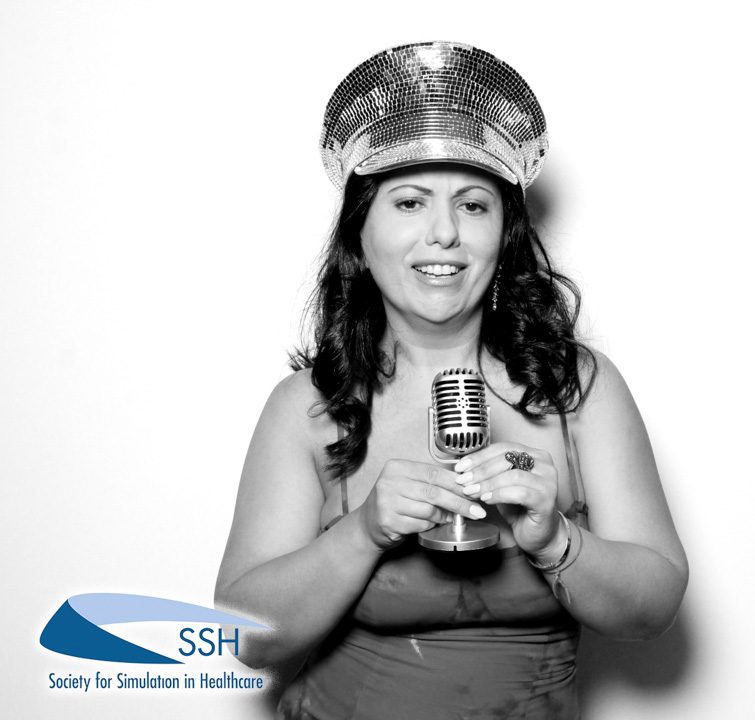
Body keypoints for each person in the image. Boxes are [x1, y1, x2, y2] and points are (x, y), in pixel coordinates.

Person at [215, 41, 688, 720]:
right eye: (409, 203)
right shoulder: (309, 408)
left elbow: (654, 607)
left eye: (473, 205)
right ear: (359, 235)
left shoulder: (577, 390)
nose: (443, 234)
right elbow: (242, 638)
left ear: (505, 234)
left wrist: (554, 540)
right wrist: (364, 532)